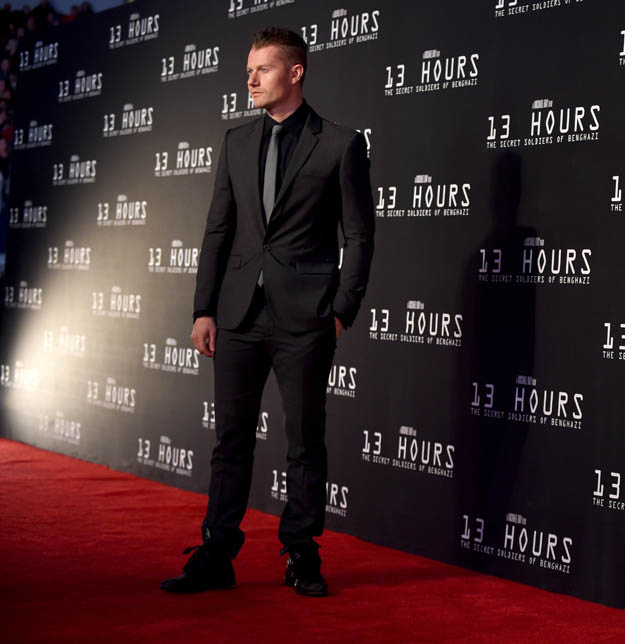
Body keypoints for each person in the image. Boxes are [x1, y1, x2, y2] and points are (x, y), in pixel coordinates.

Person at [161, 27, 375, 597]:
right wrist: (204, 308)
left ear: (295, 73)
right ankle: (217, 553)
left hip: (306, 317)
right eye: (248, 71)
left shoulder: (339, 144)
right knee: (230, 439)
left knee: (305, 440)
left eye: (263, 69)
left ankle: (302, 553)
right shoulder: (234, 142)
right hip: (237, 315)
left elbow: (359, 235)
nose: (251, 80)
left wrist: (341, 310)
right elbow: (218, 231)